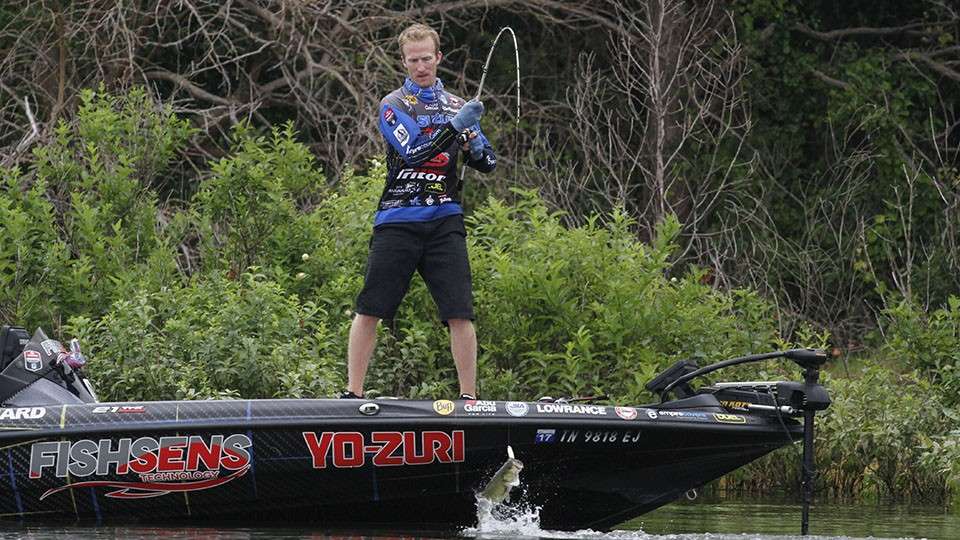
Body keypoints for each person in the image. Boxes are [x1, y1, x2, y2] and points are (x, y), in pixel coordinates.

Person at [341, 23, 496, 400]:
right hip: (398, 217)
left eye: (427, 58)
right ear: (403, 62)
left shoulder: (458, 105)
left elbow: (489, 163)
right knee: (371, 306)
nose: (421, 66)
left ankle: (469, 396)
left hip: (445, 219)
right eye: (413, 60)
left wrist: (475, 145)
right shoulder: (393, 104)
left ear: (438, 57)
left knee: (460, 311)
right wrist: (454, 128)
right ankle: (353, 393)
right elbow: (413, 152)